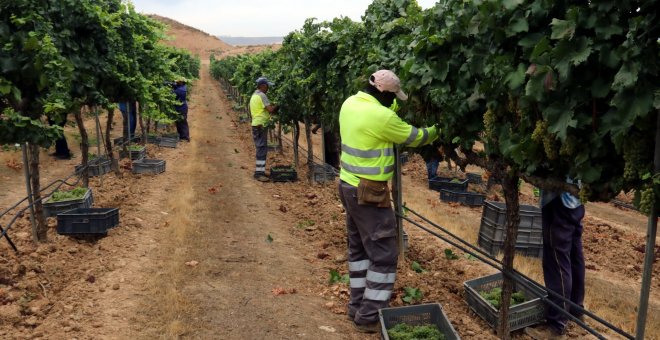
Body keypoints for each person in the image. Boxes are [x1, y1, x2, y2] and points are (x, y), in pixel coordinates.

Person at [337, 70, 438, 333]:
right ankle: (369, 316)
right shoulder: (382, 117)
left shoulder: (351, 103)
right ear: (383, 94)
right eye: (392, 96)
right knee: (384, 254)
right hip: (370, 192)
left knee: (359, 250)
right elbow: (417, 137)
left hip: (348, 184)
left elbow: (384, 109)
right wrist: (441, 128)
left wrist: (391, 102)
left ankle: (356, 305)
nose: (394, 101)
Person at [526, 187, 585, 340]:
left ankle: (556, 325)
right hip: (576, 199)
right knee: (573, 255)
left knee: (556, 262)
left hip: (559, 199)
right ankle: (575, 311)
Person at [249, 77, 278, 182]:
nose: (268, 88)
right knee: (261, 149)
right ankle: (258, 174)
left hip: (256, 125)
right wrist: (279, 103)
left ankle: (260, 171)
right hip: (260, 126)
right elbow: (270, 110)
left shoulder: (254, 95)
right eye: (267, 86)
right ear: (263, 86)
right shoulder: (262, 95)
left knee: (261, 148)